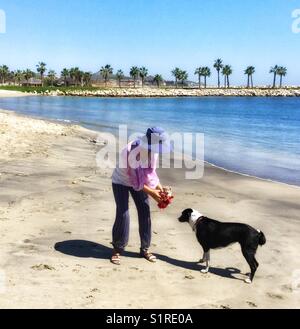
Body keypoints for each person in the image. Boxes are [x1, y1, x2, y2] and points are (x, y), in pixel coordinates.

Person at [111, 127, 171, 265]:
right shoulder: (130, 151)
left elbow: (150, 175)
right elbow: (134, 180)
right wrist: (152, 193)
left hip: (140, 182)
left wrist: (161, 190)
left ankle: (145, 248)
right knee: (123, 213)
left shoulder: (154, 152)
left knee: (145, 211)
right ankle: (117, 248)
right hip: (121, 181)